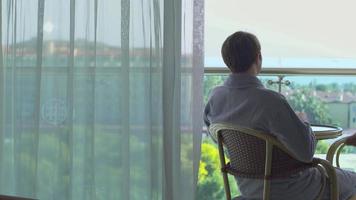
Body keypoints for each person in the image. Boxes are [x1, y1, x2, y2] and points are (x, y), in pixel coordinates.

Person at [204, 31, 356, 200]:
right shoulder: (270, 101)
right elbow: (306, 153)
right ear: (258, 57)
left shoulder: (214, 97)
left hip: (249, 189)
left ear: (227, 60)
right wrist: (302, 121)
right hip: (293, 189)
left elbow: (220, 139)